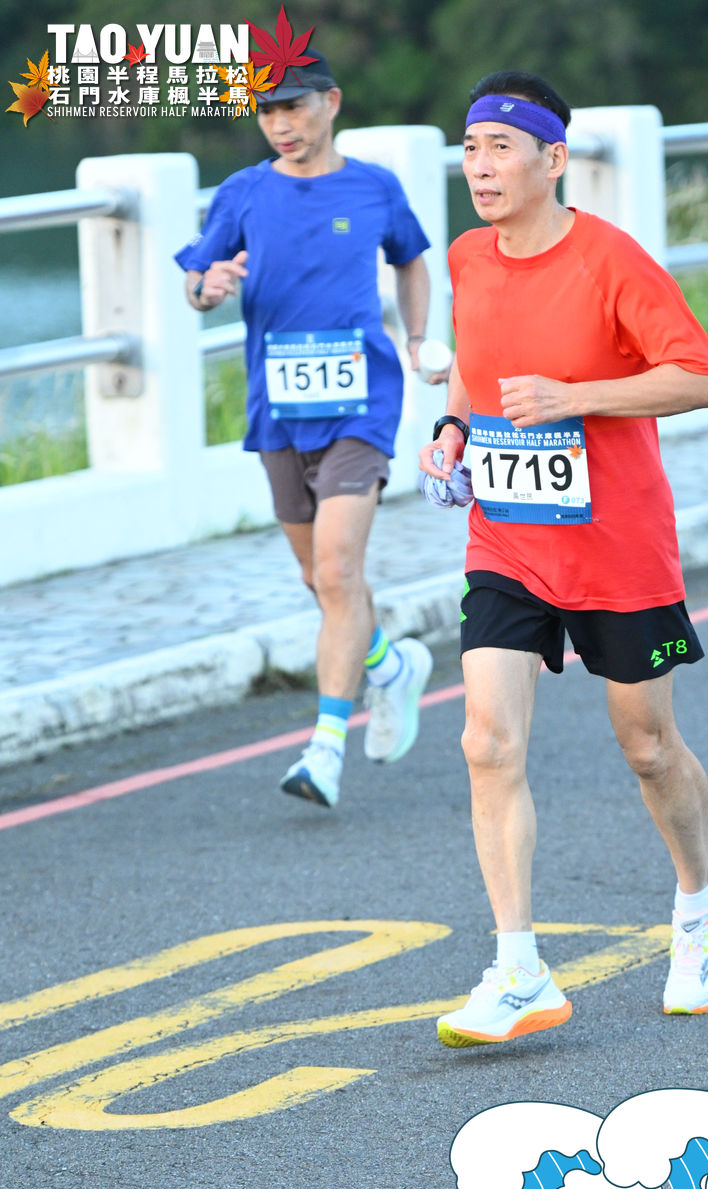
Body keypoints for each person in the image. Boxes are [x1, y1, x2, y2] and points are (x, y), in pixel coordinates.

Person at [419, 70, 708, 1048]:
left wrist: (577, 395)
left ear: (551, 159)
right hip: (507, 538)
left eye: (500, 149)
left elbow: (701, 379)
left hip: (615, 546)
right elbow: (473, 368)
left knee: (646, 746)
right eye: (470, 149)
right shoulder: (468, 258)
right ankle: (518, 970)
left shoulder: (610, 261)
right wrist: (451, 429)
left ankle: (699, 905)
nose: (480, 168)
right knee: (486, 742)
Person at [175, 50, 437, 809]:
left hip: (362, 403)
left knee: (337, 570)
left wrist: (419, 339)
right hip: (279, 409)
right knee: (318, 578)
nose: (280, 124)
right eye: (266, 111)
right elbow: (198, 280)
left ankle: (325, 747)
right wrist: (208, 286)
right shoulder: (244, 192)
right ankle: (391, 667)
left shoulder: (374, 186)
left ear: (332, 102)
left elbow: (412, 262)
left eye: (293, 106)